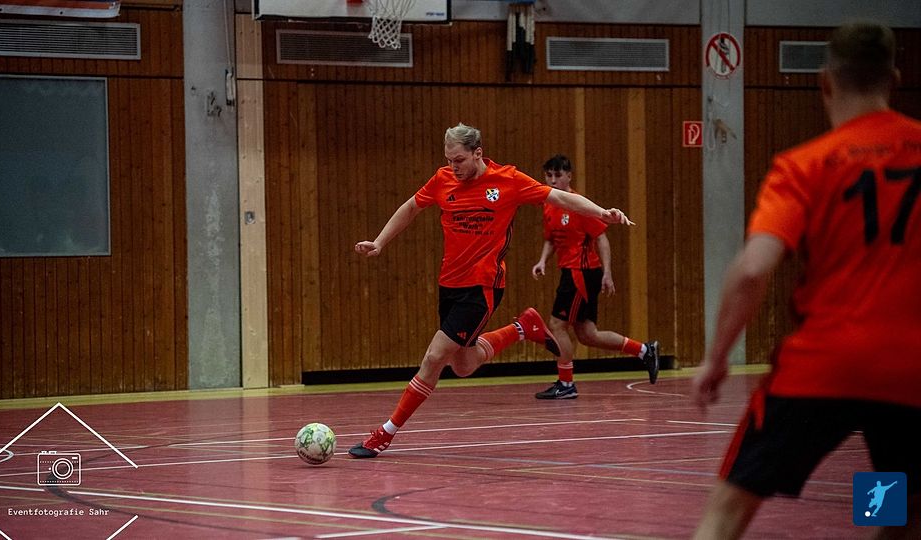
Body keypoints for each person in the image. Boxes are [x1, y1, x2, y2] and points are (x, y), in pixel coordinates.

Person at [691, 22, 921, 539]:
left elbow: (753, 269)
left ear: (825, 82)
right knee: (897, 505)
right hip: (912, 371)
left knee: (728, 509)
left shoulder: (804, 165)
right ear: (894, 79)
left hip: (823, 366)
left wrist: (717, 356)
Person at [349, 123, 634, 458]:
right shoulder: (443, 180)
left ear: (478, 153)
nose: (453, 167)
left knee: (434, 358)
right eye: (449, 160)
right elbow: (411, 207)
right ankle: (522, 327)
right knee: (463, 366)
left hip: (482, 287)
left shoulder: (508, 180)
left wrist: (602, 213)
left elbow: (558, 196)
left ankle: (385, 433)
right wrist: (380, 242)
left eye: (459, 160)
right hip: (449, 285)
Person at [530, 155, 660, 399]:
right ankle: (645, 350)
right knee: (588, 335)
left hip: (582, 272)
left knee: (557, 325)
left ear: (569, 176)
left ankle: (566, 384)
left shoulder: (578, 205)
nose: (553, 180)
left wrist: (607, 273)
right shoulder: (549, 204)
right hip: (570, 271)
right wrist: (542, 260)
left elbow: (601, 238)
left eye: (558, 175)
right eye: (549, 176)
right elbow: (551, 239)